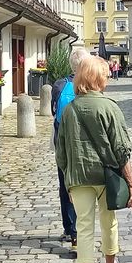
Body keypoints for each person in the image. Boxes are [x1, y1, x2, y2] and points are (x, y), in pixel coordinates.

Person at [55, 56, 132, 263]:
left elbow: (61, 151)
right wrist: (131, 182)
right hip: (106, 176)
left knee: (84, 228)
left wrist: (68, 179)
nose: (109, 79)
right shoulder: (110, 107)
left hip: (78, 176)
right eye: (106, 75)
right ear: (97, 78)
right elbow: (122, 149)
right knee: (108, 221)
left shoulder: (69, 109)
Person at [53, 46, 92, 251]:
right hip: (85, 145)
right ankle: (82, 229)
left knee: (65, 185)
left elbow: (54, 112)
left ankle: (69, 228)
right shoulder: (89, 86)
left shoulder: (60, 85)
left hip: (63, 143)